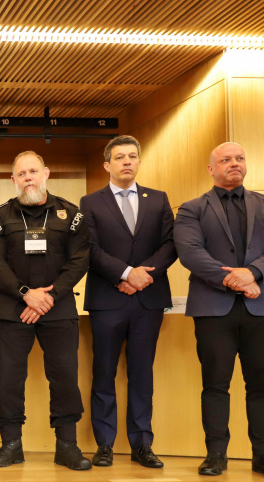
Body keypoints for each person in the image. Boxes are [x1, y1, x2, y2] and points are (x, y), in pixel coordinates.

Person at [175, 142, 264, 481]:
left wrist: (254, 273)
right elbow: (189, 252)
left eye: (239, 158)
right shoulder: (191, 209)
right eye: (225, 160)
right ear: (211, 169)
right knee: (215, 384)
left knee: (262, 385)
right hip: (214, 309)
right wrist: (235, 280)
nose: (234, 164)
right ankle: (216, 455)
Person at [0, 150, 92, 471]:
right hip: (13, 311)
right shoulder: (0, 218)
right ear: (13, 179)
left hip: (58, 311)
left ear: (46, 173)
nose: (28, 177)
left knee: (65, 378)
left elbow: (79, 260)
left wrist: (49, 296)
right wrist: (25, 294)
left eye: (33, 171)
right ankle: (11, 445)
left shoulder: (71, 215)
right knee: (9, 379)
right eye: (21, 173)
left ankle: (67, 446)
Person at [79, 135, 177, 469]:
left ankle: (142, 444)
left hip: (148, 299)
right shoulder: (90, 202)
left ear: (138, 162)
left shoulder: (159, 199)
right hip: (108, 299)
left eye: (132, 156)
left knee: (141, 373)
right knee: (103, 372)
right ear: (107, 164)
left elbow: (170, 245)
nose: (127, 162)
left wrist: (141, 276)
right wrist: (124, 274)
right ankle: (104, 444)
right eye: (120, 157)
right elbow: (89, 250)